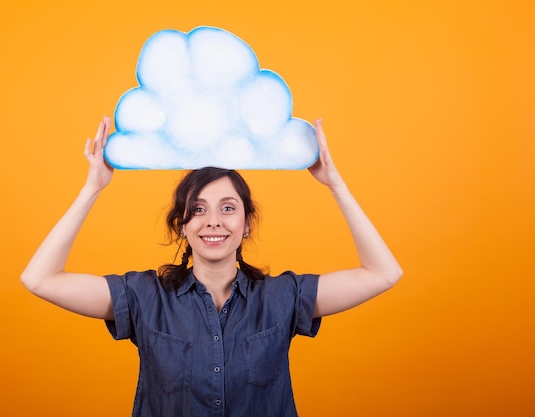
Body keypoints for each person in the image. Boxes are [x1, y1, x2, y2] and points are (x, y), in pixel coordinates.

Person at [21, 116, 403, 417]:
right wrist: (92, 188)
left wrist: (335, 184)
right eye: (199, 209)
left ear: (247, 222)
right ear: (182, 225)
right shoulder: (143, 296)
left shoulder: (283, 297)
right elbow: (39, 279)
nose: (214, 221)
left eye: (228, 208)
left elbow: (383, 273)